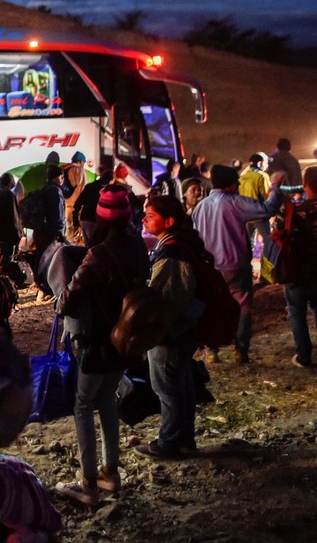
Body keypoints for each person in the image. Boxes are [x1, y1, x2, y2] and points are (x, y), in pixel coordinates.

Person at [54, 185, 150, 505]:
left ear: (101, 218)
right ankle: (111, 472)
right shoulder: (137, 245)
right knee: (107, 399)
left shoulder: (99, 253)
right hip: (126, 337)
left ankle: (89, 482)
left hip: (97, 340)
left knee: (83, 404)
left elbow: (71, 295)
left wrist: (60, 302)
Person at [137, 195, 208, 458]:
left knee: (167, 387)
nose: (144, 219)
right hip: (183, 328)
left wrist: (153, 329)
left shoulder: (172, 253)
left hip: (172, 332)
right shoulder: (175, 244)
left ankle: (170, 442)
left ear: (168, 221)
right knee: (180, 383)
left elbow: (167, 299)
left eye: (151, 215)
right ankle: (184, 438)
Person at [191, 164, 284, 363]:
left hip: (210, 268)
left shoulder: (200, 207)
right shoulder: (235, 202)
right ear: (232, 185)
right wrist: (275, 186)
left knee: (212, 307)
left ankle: (211, 349)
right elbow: (267, 209)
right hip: (235, 264)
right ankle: (240, 350)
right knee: (243, 307)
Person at [280, 166, 317, 367]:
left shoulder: (293, 211)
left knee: (296, 312)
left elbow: (277, 232)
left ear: (305, 185)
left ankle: (304, 356)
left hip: (297, 270)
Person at [239, 153, 273, 269]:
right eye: (266, 162)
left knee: (247, 242)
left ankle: (245, 267)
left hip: (245, 216)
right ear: (260, 163)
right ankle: (267, 270)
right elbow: (267, 196)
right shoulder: (262, 176)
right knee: (269, 241)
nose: (267, 165)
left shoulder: (242, 177)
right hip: (260, 215)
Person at [0, 172, 23, 272]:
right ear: (10, 183)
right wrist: (18, 237)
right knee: (6, 267)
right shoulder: (8, 194)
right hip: (6, 237)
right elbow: (13, 218)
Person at [73, 164, 112, 246]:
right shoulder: (106, 191)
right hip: (96, 221)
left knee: (87, 245)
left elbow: (77, 203)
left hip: (84, 220)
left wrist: (75, 221)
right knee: (95, 247)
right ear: (111, 180)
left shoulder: (89, 186)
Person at [63, 151, 88, 242]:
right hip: (75, 204)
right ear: (81, 161)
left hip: (66, 203)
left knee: (67, 227)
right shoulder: (79, 170)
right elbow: (80, 187)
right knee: (75, 229)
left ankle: (66, 244)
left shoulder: (65, 169)